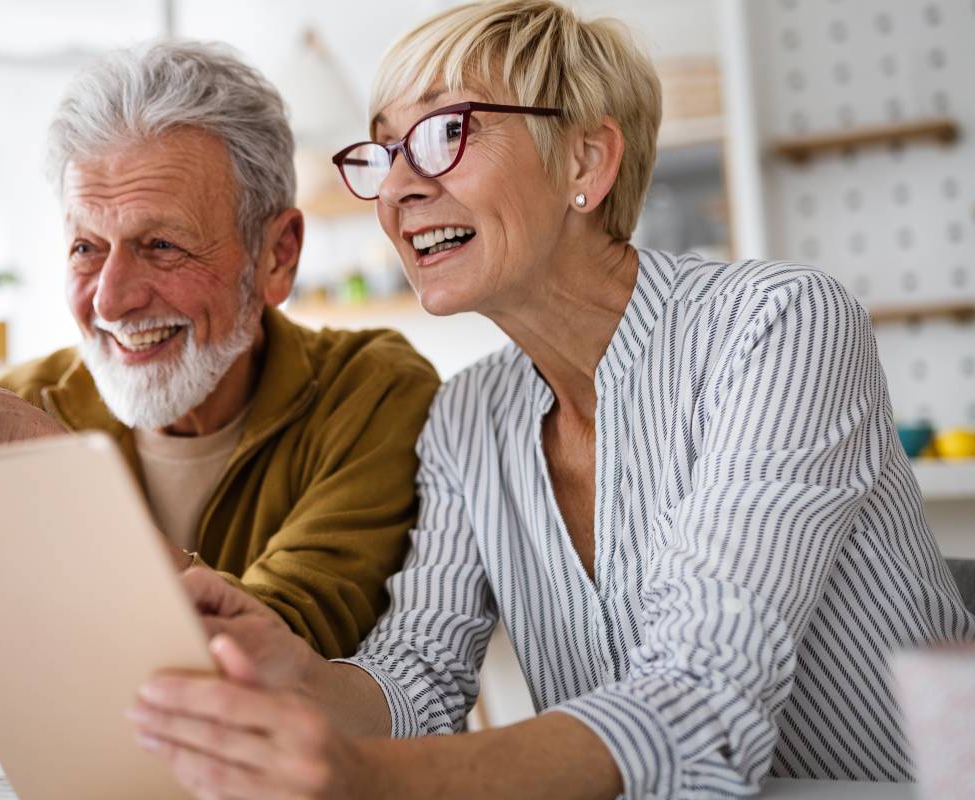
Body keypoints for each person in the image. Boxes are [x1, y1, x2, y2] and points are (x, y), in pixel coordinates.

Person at [126, 2, 975, 797]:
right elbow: (418, 673)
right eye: (383, 153)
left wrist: (375, 780)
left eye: (445, 133)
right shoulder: (468, 416)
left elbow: (701, 697)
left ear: (585, 160)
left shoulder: (777, 327)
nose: (395, 190)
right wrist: (294, 672)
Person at [0, 41, 443, 767]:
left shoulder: (373, 392)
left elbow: (275, 657)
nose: (110, 299)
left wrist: (53, 473)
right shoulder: (17, 405)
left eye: (162, 245)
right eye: (86, 247)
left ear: (277, 256)